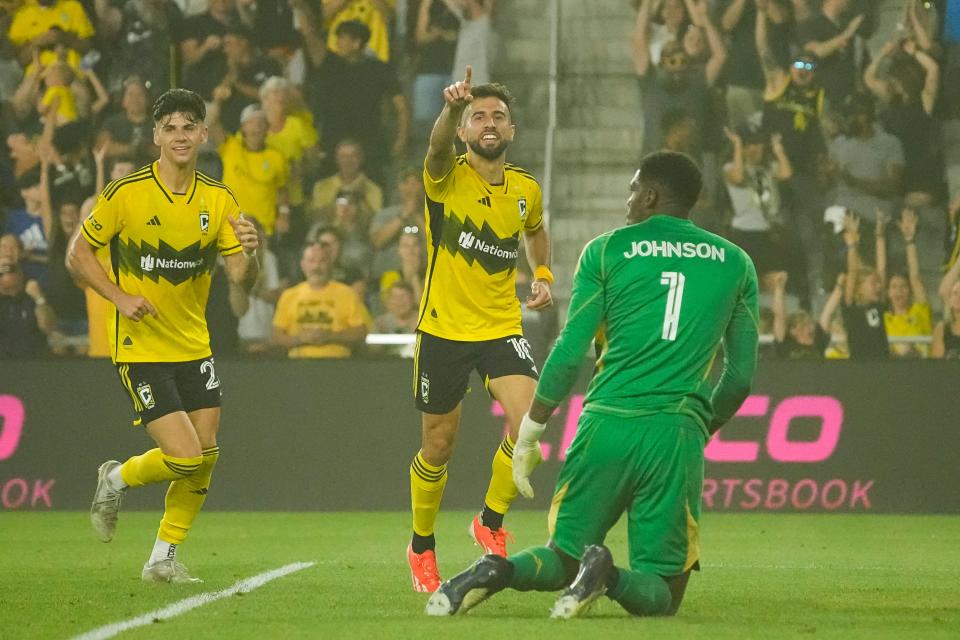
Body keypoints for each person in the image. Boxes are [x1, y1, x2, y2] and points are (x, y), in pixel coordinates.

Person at [425, 151, 759, 619]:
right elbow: (739, 378)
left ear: (650, 196)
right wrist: (699, 427)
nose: (627, 198)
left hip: (602, 425)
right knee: (663, 592)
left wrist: (531, 431)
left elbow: (566, 354)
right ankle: (607, 573)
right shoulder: (736, 263)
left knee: (561, 558)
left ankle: (494, 570)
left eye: (631, 189)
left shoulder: (606, 250)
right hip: (673, 433)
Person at [66, 88, 260, 583]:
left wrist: (252, 255)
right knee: (185, 456)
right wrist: (118, 297)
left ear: (203, 134)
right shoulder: (125, 193)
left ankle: (163, 558)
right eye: (169, 127)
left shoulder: (219, 200)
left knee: (206, 455)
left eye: (188, 126)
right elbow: (77, 256)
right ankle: (116, 476)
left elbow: (241, 280)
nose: (179, 135)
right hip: (141, 347)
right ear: (156, 136)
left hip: (195, 345)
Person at [406, 67, 553, 592]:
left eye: (498, 117)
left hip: (499, 327)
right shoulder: (444, 179)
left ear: (511, 131)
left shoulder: (526, 190)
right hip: (443, 331)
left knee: (531, 422)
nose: (489, 124)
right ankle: (421, 546)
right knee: (438, 447)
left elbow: (536, 232)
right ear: (466, 130)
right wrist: (448, 110)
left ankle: (490, 521)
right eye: (478, 117)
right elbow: (435, 150)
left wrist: (542, 273)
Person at [271, 241, 369, 358]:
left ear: (331, 264)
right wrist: (301, 339)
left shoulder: (347, 294)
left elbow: (361, 332)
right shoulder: (289, 296)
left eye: (322, 261)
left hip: (338, 366)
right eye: (311, 261)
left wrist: (331, 336)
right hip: (298, 366)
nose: (316, 267)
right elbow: (277, 336)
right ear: (303, 264)